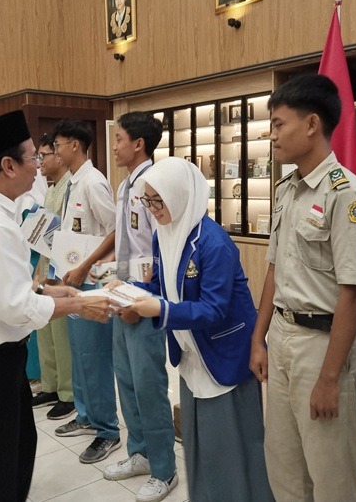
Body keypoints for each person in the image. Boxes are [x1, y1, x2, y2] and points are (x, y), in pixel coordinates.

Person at [0, 110, 116, 502]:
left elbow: (0, 288)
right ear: (8, 165)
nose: (39, 164)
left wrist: (54, 292)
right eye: (33, 156)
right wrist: (80, 305)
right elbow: (15, 306)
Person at [248, 74, 356, 502]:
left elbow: (353, 293)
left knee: (332, 476)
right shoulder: (287, 189)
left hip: (324, 346)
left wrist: (329, 378)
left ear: (311, 124)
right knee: (284, 466)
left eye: (278, 124)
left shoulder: (346, 196)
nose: (272, 135)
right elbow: (275, 269)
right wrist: (259, 338)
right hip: (284, 336)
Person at [116, 157, 273, 502]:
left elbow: (214, 309)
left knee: (232, 448)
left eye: (158, 200)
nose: (152, 209)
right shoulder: (163, 235)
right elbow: (158, 286)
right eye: (147, 200)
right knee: (200, 447)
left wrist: (160, 309)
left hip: (222, 355)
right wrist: (124, 291)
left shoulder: (214, 243)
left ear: (179, 195)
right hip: (191, 357)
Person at [103, 112, 178, 502]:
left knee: (149, 384)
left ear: (138, 144)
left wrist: (141, 298)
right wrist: (112, 278)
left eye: (119, 139)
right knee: (126, 379)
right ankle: (141, 453)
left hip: (145, 297)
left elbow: (161, 251)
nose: (114, 146)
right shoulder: (125, 184)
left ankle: (164, 469)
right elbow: (126, 246)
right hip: (123, 290)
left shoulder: (154, 185)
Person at [51, 119, 121, 464]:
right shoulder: (72, 182)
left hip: (90, 279)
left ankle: (108, 430)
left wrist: (86, 266)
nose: (55, 151)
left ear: (75, 145)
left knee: (94, 356)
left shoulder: (94, 182)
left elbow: (115, 230)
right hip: (73, 279)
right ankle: (86, 415)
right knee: (79, 353)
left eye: (58, 145)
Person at [31, 133, 75, 421]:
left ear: (59, 156)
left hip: (61, 271)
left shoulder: (72, 186)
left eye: (43, 155)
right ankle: (50, 385)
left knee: (61, 337)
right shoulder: (50, 189)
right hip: (44, 267)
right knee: (44, 331)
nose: (39, 162)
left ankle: (67, 393)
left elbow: (69, 236)